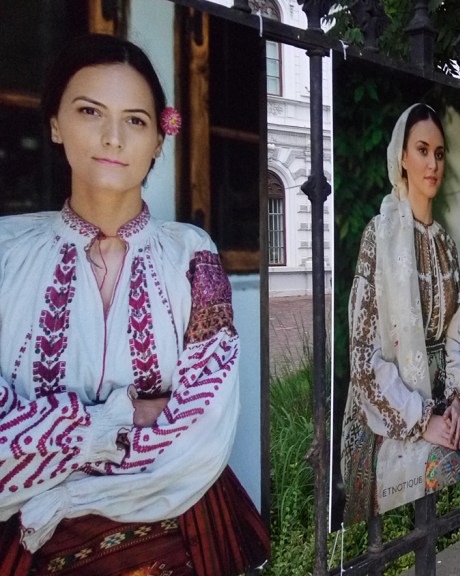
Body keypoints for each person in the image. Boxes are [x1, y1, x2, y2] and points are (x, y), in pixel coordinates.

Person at [0, 34, 267, 575]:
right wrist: (117, 420)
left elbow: (203, 432)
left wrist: (60, 488)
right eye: (90, 111)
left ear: (158, 140)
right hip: (35, 550)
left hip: (177, 535)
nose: (113, 137)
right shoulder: (5, 253)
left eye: (136, 120)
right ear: (56, 123)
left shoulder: (193, 255)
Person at [341, 103, 460, 523]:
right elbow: (363, 360)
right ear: (401, 157)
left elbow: (457, 335)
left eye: (439, 153)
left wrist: (456, 402)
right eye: (422, 150)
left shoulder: (446, 245)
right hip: (389, 416)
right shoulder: (378, 237)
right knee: (451, 462)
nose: (433, 163)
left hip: (442, 406)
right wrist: (423, 421)